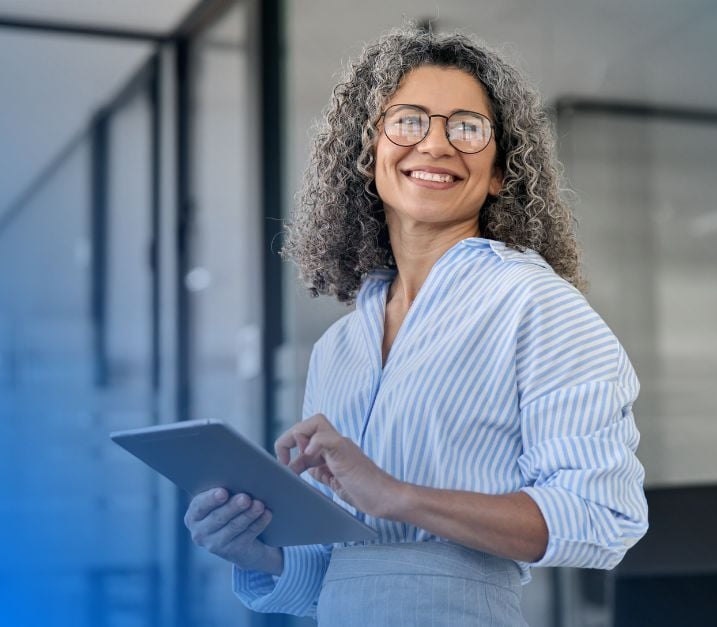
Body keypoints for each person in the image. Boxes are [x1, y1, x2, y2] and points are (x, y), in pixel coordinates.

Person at [181, 27, 648, 626]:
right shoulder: (339, 348)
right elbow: (330, 576)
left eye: (467, 128)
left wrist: (398, 496)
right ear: (368, 153)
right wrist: (256, 550)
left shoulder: (534, 304)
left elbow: (604, 516)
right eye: (408, 121)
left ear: (502, 171)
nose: (435, 145)